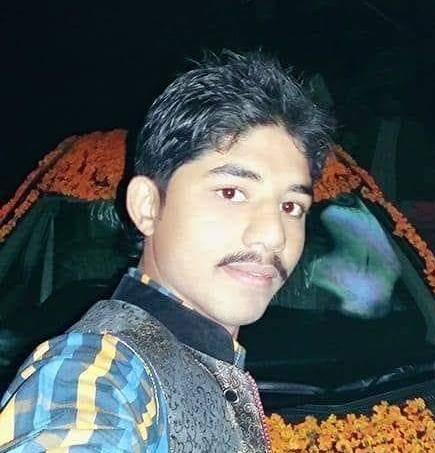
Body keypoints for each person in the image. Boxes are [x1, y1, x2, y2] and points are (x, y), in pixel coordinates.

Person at [0, 50, 334, 452]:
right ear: (148, 206)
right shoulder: (96, 372)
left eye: (291, 206)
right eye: (231, 193)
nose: (273, 235)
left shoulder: (211, 358)